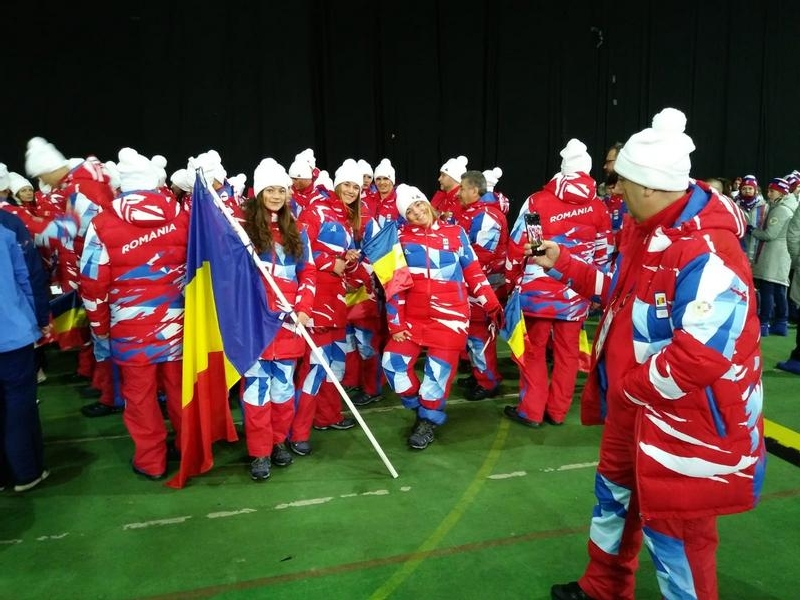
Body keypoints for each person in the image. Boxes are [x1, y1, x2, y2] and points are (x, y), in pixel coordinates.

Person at [531, 109, 764, 600]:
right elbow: (621, 297)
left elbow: (699, 357)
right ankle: (603, 586)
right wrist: (564, 263)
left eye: (622, 181)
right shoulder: (646, 230)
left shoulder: (708, 250)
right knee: (613, 501)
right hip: (635, 409)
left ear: (651, 187)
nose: (614, 190)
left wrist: (628, 389)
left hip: (681, 421)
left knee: (677, 533)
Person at [79, 147, 189, 479]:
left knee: (139, 398)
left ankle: (151, 461)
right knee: (181, 392)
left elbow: (92, 284)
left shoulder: (101, 224)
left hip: (129, 329)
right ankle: (188, 450)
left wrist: (100, 329)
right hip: (180, 325)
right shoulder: (184, 217)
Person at [381, 184, 502, 450]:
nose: (417, 212)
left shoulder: (456, 232)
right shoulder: (398, 238)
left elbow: (474, 272)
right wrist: (395, 323)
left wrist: (492, 305)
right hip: (413, 318)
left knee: (437, 375)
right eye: (409, 211)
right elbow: (394, 284)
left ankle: (427, 421)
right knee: (392, 363)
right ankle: (421, 407)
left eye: (418, 204)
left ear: (427, 203)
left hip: (450, 318)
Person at [504, 139, 613, 428]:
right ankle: (557, 411)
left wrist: (512, 280)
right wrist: (594, 291)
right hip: (576, 293)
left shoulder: (537, 201)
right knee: (568, 354)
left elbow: (522, 244)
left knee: (534, 352)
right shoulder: (599, 207)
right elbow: (604, 254)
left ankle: (531, 410)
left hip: (538, 293)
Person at [240, 158, 316, 480]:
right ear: (259, 193)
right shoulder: (242, 230)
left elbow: (308, 272)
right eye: (270, 190)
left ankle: (278, 441)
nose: (276, 196)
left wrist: (304, 307)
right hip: (255, 324)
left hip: (288, 324)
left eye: (281, 190)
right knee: (256, 390)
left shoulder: (297, 230)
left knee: (283, 390)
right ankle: (259, 451)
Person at [288, 159, 365, 456]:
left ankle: (328, 416)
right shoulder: (317, 209)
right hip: (317, 299)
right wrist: (330, 263)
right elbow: (299, 249)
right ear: (337, 184)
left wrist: (350, 260)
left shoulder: (345, 218)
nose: (352, 190)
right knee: (314, 369)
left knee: (334, 364)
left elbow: (339, 259)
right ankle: (297, 433)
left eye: (356, 186)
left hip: (337, 300)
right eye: (347, 184)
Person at [0, 221, 50, 492]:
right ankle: (26, 471)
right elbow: (28, 278)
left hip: (12, 332)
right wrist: (38, 320)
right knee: (20, 403)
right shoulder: (7, 230)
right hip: (11, 333)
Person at [454, 170, 509, 400]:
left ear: (474, 190)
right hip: (474, 284)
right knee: (473, 334)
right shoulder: (474, 212)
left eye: (462, 188)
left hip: (483, 286)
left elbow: (481, 258)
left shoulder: (487, 216)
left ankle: (488, 382)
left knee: (480, 335)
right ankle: (480, 374)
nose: (458, 193)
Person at [750, 177, 797, 336]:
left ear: (782, 193)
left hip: (774, 256)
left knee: (768, 289)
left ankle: (764, 323)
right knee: (778, 289)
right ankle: (781, 323)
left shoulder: (781, 210)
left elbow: (769, 235)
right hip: (781, 255)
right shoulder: (786, 207)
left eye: (772, 191)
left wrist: (751, 230)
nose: (769, 194)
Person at [430, 155, 468, 222]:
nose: (439, 179)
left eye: (443, 175)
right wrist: (441, 215)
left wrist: (438, 215)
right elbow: (428, 216)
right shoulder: (440, 195)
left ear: (454, 178)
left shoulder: (462, 199)